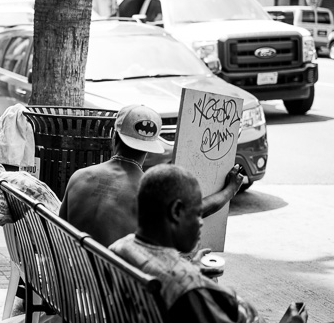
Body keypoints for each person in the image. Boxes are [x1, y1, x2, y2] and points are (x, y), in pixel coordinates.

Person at [110, 164, 334, 323]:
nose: (201, 223)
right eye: (197, 213)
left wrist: (188, 268)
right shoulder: (188, 290)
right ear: (176, 211)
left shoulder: (122, 248)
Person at [59, 104, 242, 247]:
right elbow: (196, 210)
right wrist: (230, 190)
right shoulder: (149, 192)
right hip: (113, 289)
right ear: (149, 148)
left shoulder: (79, 177)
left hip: (70, 281)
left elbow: (59, 230)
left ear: (114, 136)